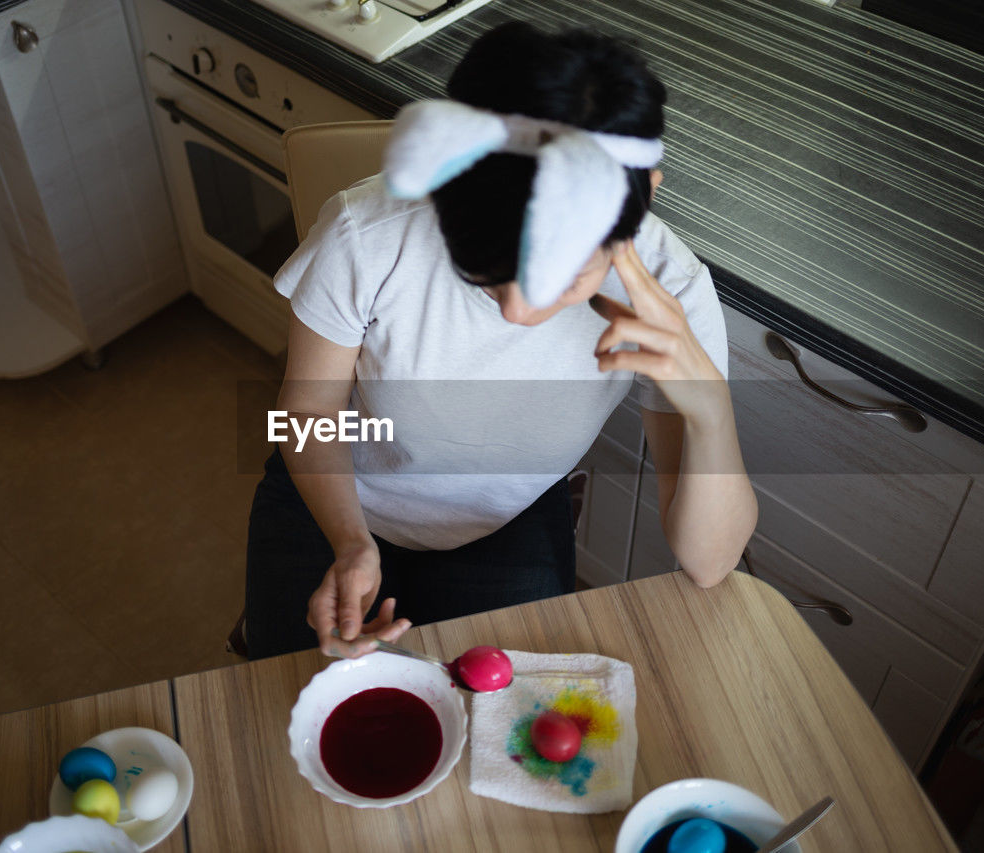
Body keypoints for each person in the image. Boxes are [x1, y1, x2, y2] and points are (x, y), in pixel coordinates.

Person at [242, 22, 757, 660]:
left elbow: (709, 565)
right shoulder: (370, 235)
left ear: (643, 194)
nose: (518, 312)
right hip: (340, 486)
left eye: (562, 277)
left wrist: (708, 406)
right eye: (482, 275)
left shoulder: (670, 294)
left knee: (497, 715)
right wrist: (350, 541)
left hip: (506, 516)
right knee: (283, 681)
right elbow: (310, 413)